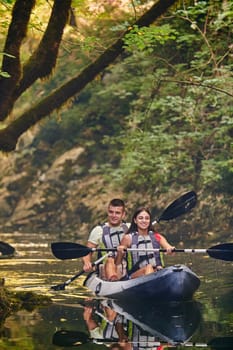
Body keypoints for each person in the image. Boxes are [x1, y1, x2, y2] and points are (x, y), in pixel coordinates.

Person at [116, 206, 175, 279]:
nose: (144, 221)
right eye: (140, 218)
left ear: (149, 221)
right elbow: (118, 263)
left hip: (157, 272)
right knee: (149, 267)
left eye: (147, 218)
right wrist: (120, 253)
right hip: (134, 276)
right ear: (135, 220)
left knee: (153, 269)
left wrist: (170, 250)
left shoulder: (157, 236)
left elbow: (167, 247)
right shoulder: (128, 238)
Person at [82, 198, 129, 281]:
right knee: (110, 260)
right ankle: (113, 280)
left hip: (127, 269)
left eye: (117, 213)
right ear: (108, 212)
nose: (114, 215)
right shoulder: (98, 230)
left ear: (123, 214)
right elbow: (87, 252)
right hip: (106, 269)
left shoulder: (129, 228)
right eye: (111, 212)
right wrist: (87, 263)